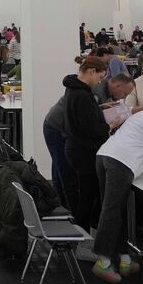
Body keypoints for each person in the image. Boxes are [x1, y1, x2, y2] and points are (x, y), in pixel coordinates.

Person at [91, 87, 143, 284]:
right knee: (113, 211)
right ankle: (103, 261)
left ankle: (123, 258)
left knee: (115, 210)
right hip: (121, 163)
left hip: (104, 156)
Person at [43, 56, 110, 229]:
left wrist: (97, 111)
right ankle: (79, 228)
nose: (99, 81)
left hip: (71, 144)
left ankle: (74, 221)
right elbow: (90, 128)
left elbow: (83, 117)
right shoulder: (82, 95)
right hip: (80, 149)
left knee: (65, 177)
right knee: (81, 192)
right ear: (91, 71)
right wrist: (110, 125)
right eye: (99, 77)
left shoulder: (74, 89)